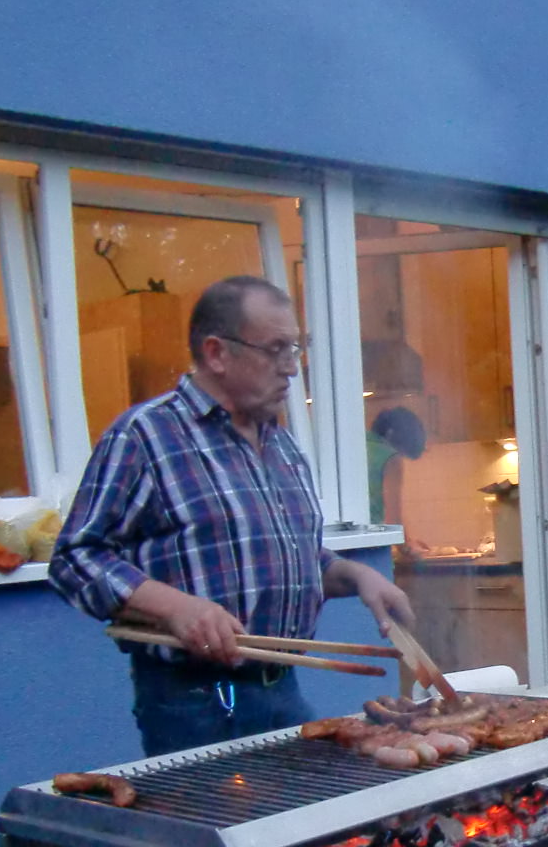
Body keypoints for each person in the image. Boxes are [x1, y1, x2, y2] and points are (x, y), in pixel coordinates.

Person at [50, 275, 414, 757]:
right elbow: (74, 559)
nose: (291, 368)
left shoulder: (281, 445)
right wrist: (177, 608)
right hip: (194, 702)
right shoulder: (145, 436)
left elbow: (292, 558)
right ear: (217, 352)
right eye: (276, 349)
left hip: (282, 688)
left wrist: (355, 575)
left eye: (296, 349)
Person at [366, 406, 428, 526]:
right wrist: (405, 540)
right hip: (370, 533)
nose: (400, 456)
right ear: (391, 434)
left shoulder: (359, 444)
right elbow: (393, 520)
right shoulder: (390, 458)